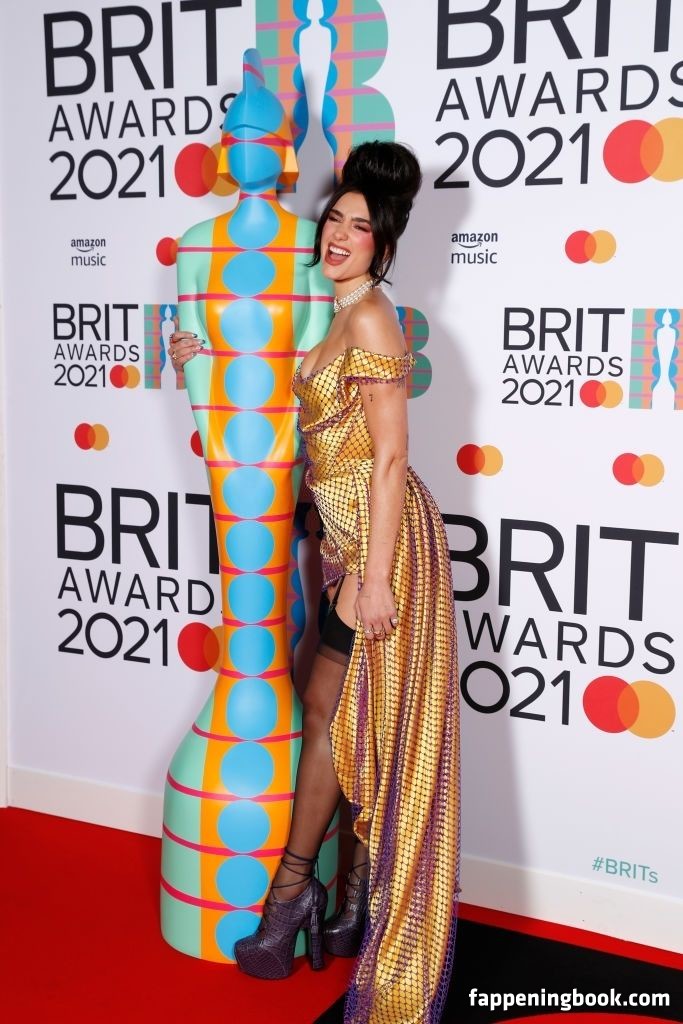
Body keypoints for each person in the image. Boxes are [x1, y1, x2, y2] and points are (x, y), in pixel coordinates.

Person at [168, 140, 460, 1024]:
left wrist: (373, 577)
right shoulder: (335, 313)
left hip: (385, 548)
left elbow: (390, 456)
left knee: (340, 717)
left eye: (357, 227)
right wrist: (193, 357)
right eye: (333, 218)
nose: (336, 234)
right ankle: (339, 903)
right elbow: (302, 430)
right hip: (344, 541)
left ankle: (294, 899)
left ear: (384, 243)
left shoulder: (370, 318)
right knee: (339, 715)